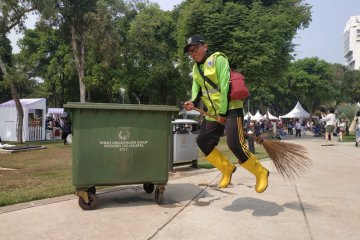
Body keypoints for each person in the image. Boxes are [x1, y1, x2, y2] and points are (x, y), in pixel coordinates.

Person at [183, 34, 269, 193]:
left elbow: (225, 87)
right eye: (190, 52)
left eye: (195, 49)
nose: (193, 53)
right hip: (212, 111)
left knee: (235, 144)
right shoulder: (195, 68)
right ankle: (226, 169)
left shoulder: (219, 59)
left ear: (205, 46)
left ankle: (261, 172)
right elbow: (197, 90)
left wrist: (222, 113)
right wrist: (193, 102)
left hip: (231, 109)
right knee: (203, 140)